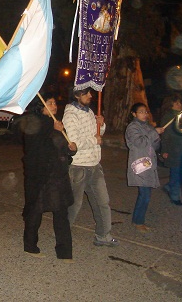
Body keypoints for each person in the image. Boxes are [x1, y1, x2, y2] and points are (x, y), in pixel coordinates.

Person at [18, 93, 77, 260]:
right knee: (35, 211)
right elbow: (35, 149)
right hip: (41, 177)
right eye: (50, 103)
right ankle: (30, 245)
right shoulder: (33, 123)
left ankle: (64, 251)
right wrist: (53, 128)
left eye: (55, 103)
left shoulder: (56, 123)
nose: (54, 106)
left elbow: (62, 148)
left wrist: (72, 149)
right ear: (41, 106)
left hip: (58, 176)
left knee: (61, 212)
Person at [62, 87, 118, 247]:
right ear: (76, 95)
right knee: (74, 205)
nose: (90, 95)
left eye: (90, 92)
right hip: (78, 166)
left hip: (94, 165)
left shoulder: (90, 112)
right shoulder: (70, 114)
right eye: (86, 93)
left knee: (102, 202)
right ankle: (62, 233)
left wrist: (101, 124)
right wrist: (94, 140)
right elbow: (74, 142)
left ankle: (103, 235)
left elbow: (97, 134)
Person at [125, 103, 164, 232]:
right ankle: (138, 221)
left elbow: (155, 145)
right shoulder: (132, 127)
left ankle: (138, 220)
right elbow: (140, 142)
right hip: (140, 164)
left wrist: (157, 137)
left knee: (146, 194)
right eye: (141, 112)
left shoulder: (147, 126)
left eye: (146, 112)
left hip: (149, 164)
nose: (144, 114)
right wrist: (154, 133)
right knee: (144, 195)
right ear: (134, 114)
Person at [159, 94, 182, 205]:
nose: (179, 105)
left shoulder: (181, 116)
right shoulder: (168, 118)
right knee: (176, 172)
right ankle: (174, 195)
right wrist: (164, 150)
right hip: (173, 148)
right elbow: (165, 136)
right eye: (176, 103)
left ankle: (169, 186)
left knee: (180, 171)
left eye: (179, 102)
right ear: (171, 105)